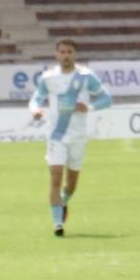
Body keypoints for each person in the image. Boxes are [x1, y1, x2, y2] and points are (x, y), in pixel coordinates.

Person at [28, 38, 112, 237]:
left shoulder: (85, 77)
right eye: (62, 52)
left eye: (69, 52)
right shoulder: (48, 78)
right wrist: (35, 110)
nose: (66, 55)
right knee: (55, 177)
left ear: (75, 54)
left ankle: (64, 201)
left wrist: (88, 107)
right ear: (56, 55)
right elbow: (36, 98)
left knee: (71, 185)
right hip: (56, 135)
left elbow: (107, 99)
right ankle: (58, 224)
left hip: (78, 137)